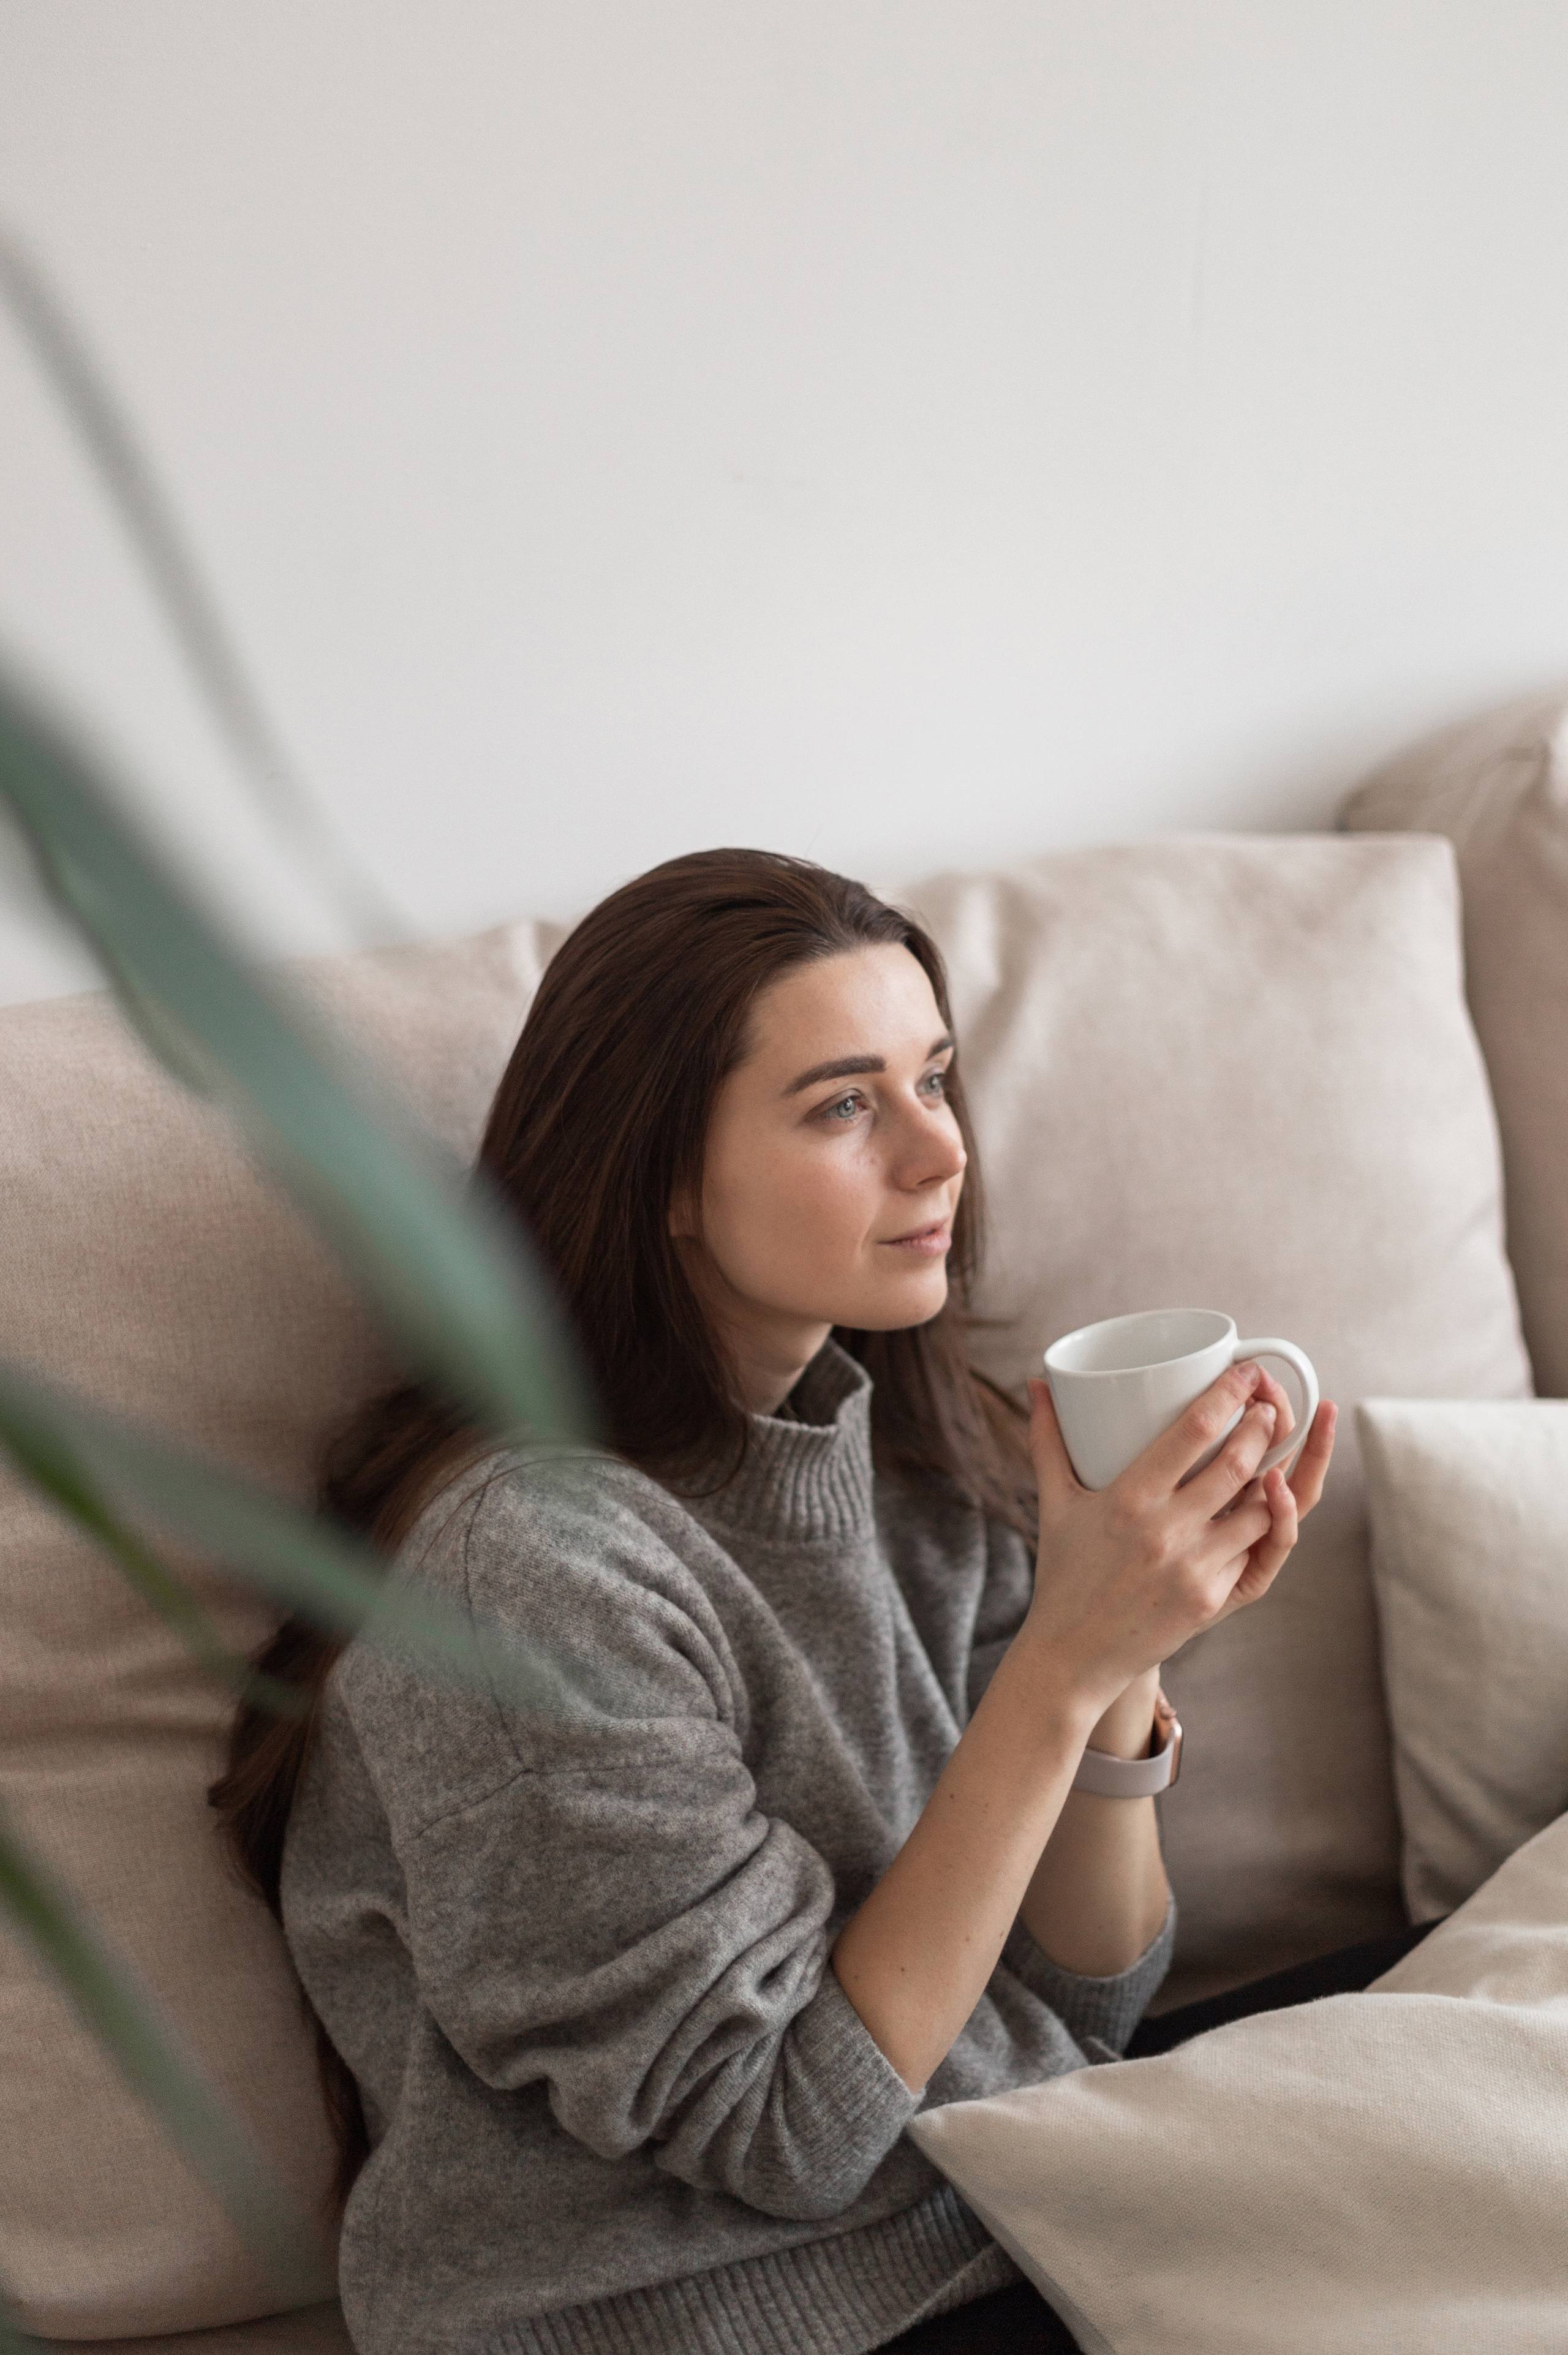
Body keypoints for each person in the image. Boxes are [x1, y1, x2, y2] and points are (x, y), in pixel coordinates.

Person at [212, 848, 1400, 2355]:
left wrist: (1122, 1654)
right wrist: (1058, 1665)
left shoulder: (922, 1461)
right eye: (844, 1105)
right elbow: (784, 2130)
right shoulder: (526, 1579)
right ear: (661, 1178)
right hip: (719, 2315)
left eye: (934, 1080)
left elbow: (1072, 2006)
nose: (939, 1151)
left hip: (1013, 2199)